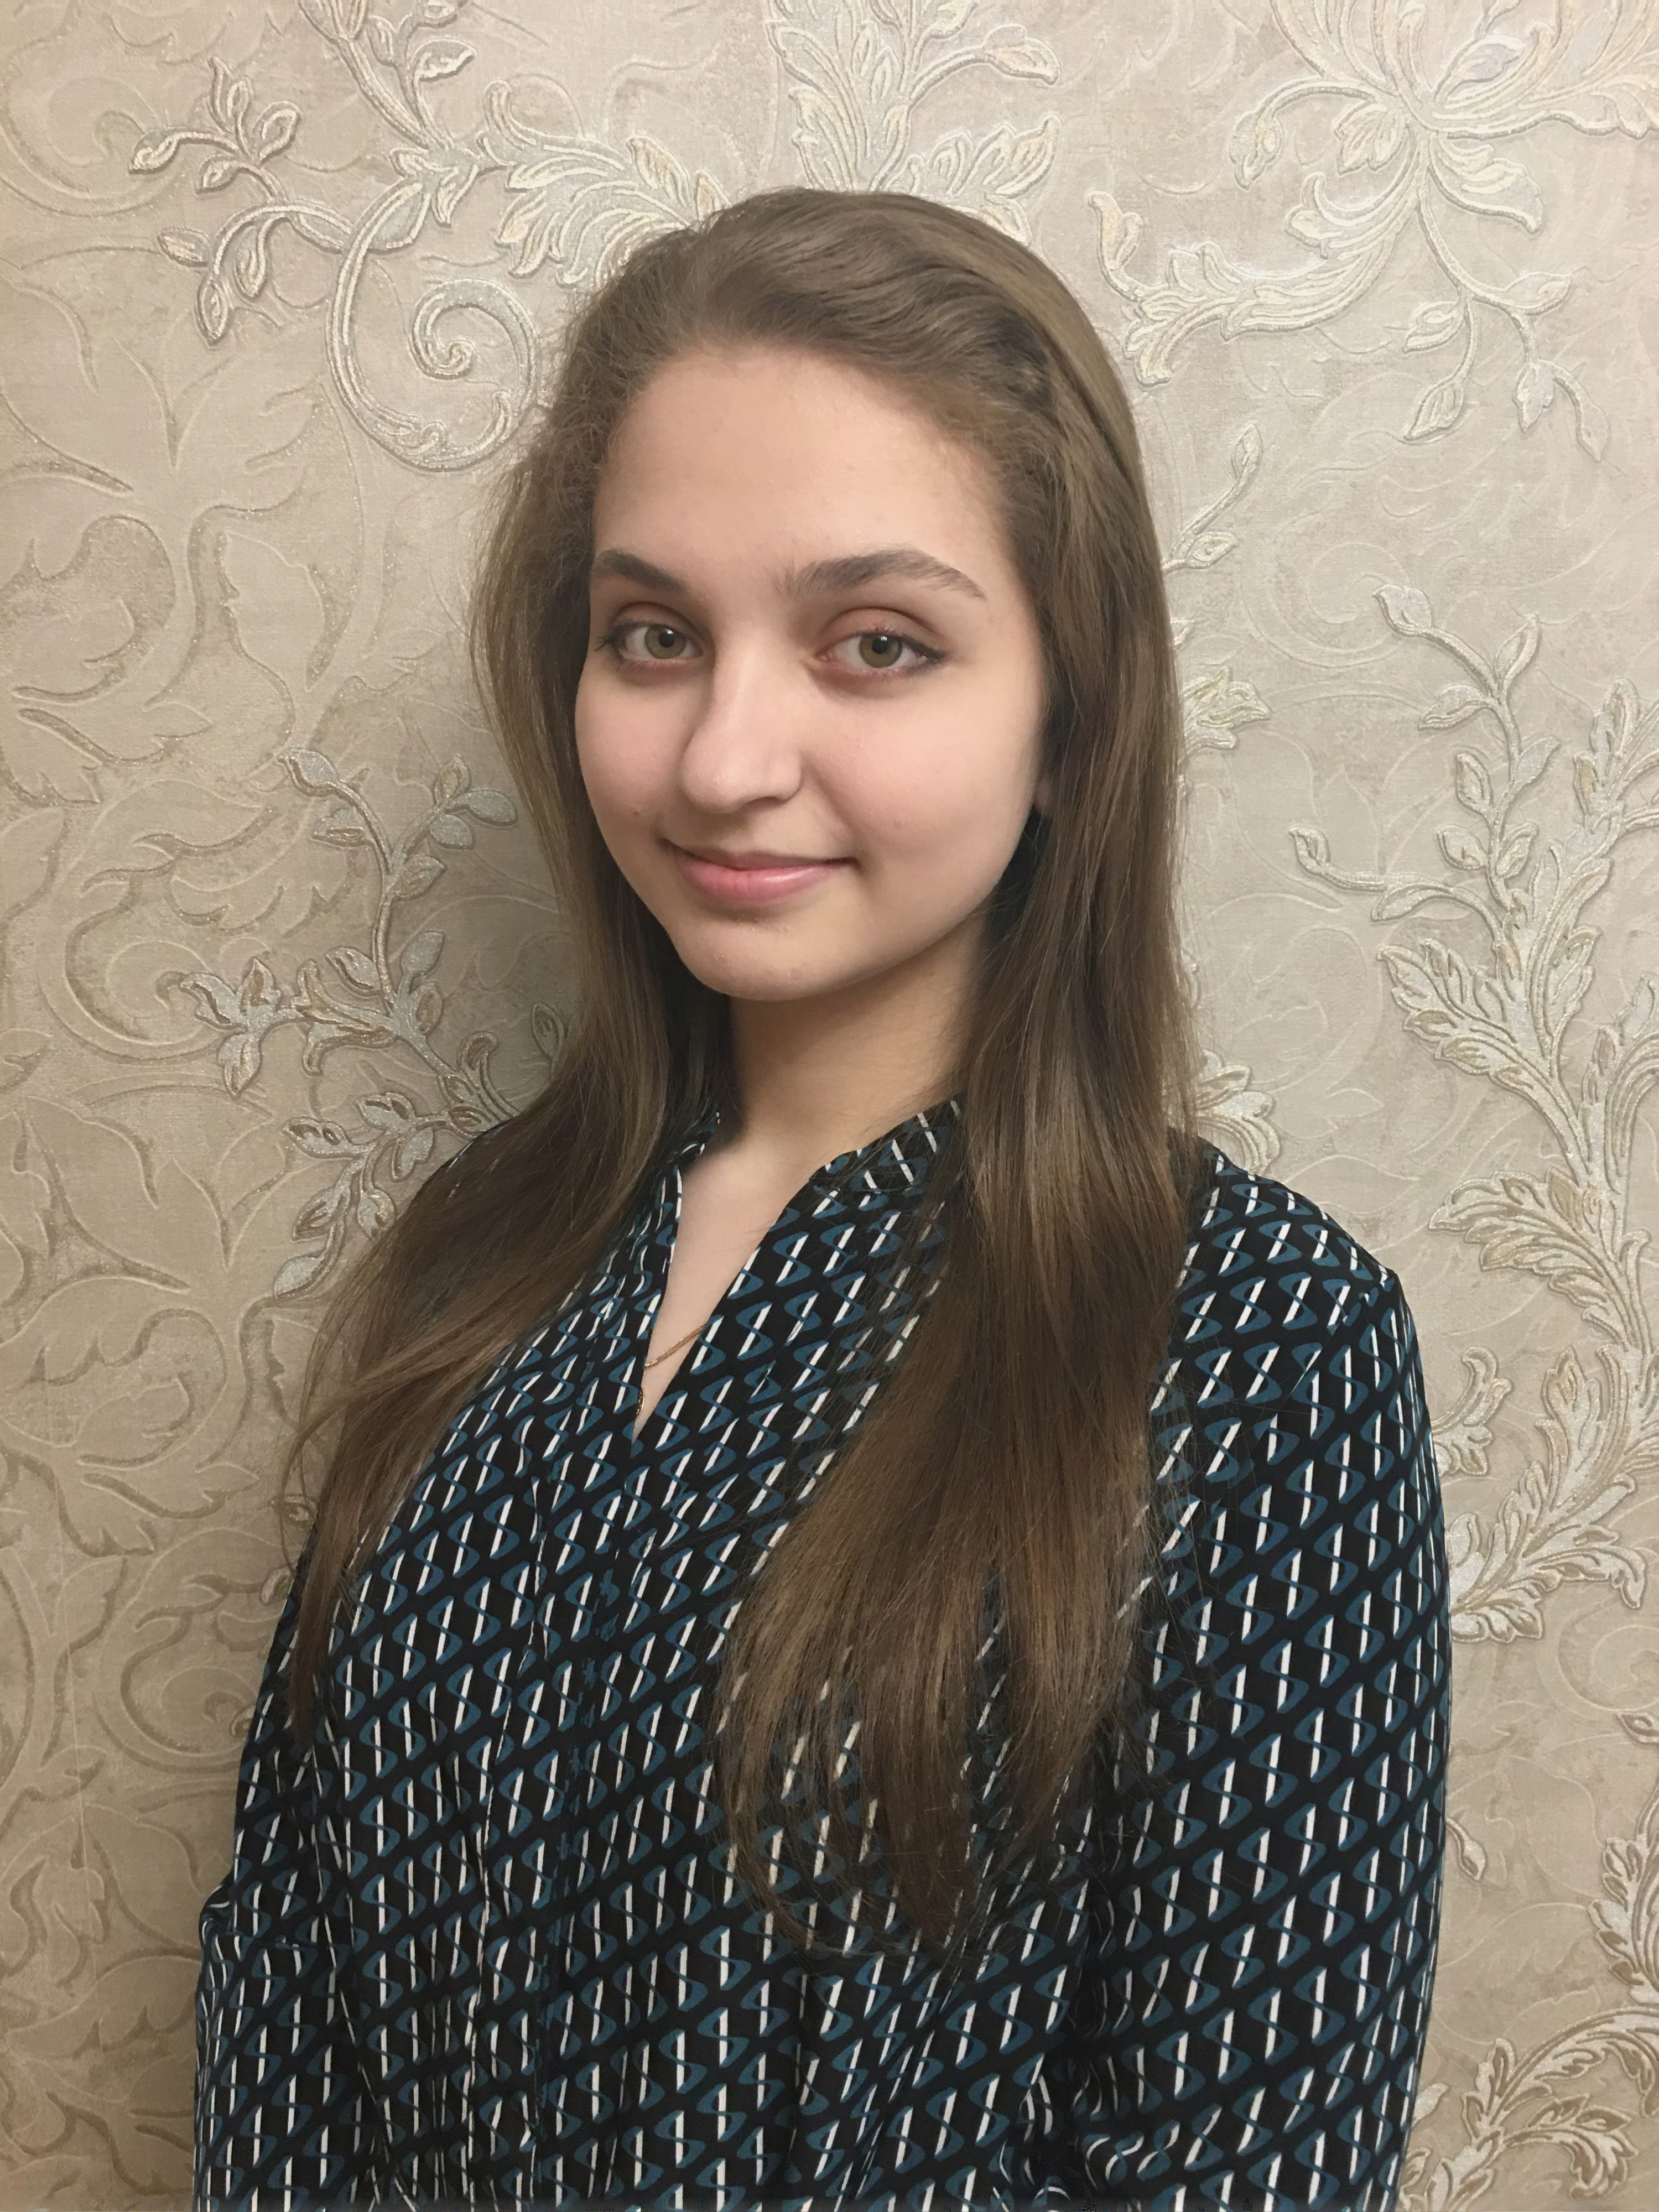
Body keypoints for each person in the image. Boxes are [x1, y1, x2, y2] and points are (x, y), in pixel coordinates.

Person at [193, 188, 1449, 2211]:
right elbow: (287, 1973)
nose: (725, 757)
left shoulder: (1257, 1343)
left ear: (1070, 717)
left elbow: (1238, 2162)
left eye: (877, 644)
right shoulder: (483, 1254)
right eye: (655, 635)